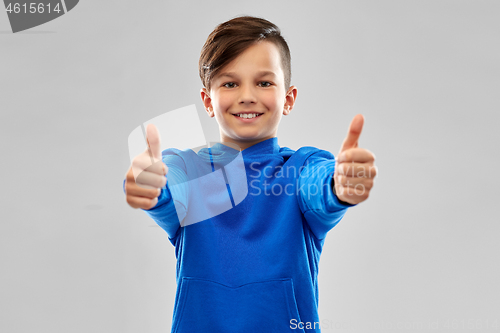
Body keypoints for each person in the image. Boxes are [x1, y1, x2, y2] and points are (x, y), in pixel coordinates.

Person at [123, 15, 377, 333]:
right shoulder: (188, 170)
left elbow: (321, 188)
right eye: (230, 83)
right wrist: (149, 185)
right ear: (208, 100)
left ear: (288, 99)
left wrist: (340, 184)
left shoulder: (302, 168)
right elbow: (168, 189)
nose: (247, 95)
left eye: (264, 82)